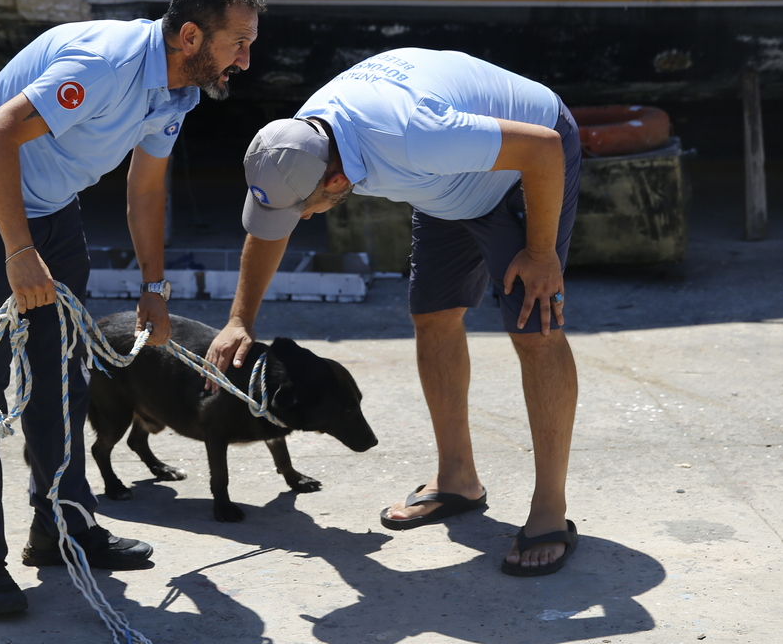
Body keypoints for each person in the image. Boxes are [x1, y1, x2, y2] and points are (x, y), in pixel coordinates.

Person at [0, 0, 263, 616]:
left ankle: (62, 528)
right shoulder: (106, 67)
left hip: (51, 208)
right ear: (191, 35)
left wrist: (154, 288)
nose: (246, 59)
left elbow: (145, 188)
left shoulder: (180, 88)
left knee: (61, 374)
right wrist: (18, 253)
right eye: (239, 42)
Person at [205, 47, 582, 576]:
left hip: (523, 167)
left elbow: (542, 149)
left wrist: (541, 254)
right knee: (433, 317)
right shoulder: (300, 140)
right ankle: (458, 480)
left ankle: (550, 511)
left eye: (304, 207)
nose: (298, 218)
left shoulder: (413, 135)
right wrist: (240, 319)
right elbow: (272, 226)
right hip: (445, 186)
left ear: (336, 182)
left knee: (535, 327)